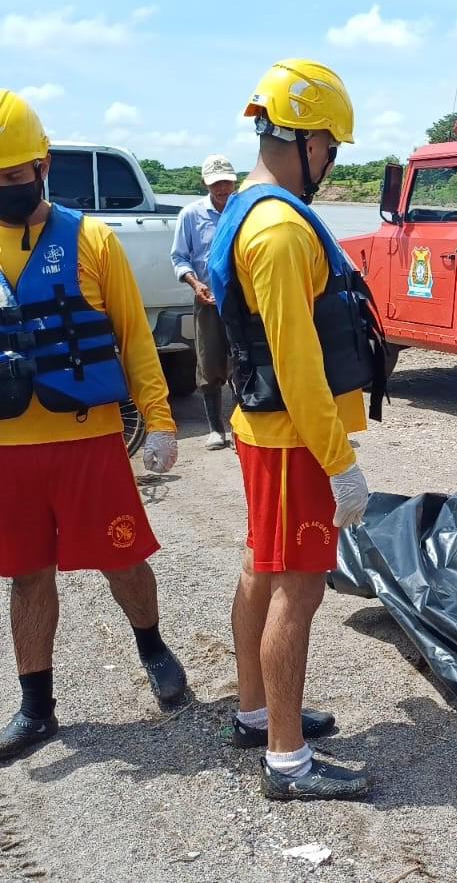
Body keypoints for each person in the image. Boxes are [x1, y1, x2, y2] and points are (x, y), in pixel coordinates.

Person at [209, 59, 386, 801]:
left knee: (262, 568)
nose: (332, 161)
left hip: (266, 430)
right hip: (293, 440)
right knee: (299, 590)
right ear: (307, 140)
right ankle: (288, 761)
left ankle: (257, 711)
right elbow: (299, 365)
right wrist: (341, 462)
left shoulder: (246, 210)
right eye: (332, 148)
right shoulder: (280, 230)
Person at [0, 90, 186, 761]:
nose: (4, 190)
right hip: (8, 451)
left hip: (87, 438)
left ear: (43, 166)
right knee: (27, 576)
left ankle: (153, 646)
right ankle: (36, 707)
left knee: (122, 557)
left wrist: (161, 422)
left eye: (14, 178)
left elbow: (135, 340)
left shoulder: (93, 238)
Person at [171, 155, 238, 449]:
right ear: (205, 184)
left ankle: (242, 427)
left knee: (244, 360)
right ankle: (216, 428)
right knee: (209, 363)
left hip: (240, 300)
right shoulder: (191, 214)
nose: (223, 188)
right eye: (216, 183)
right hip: (207, 299)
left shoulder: (243, 210)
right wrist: (195, 283)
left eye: (227, 181)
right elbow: (179, 257)